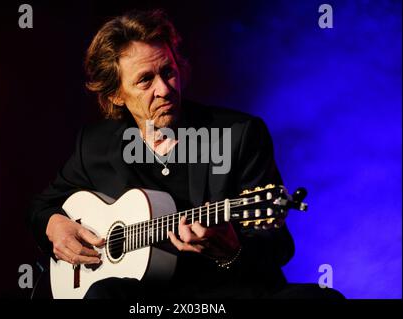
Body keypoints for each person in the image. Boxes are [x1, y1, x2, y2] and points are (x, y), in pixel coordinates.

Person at [27, 9, 344, 299]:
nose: (164, 88)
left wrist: (231, 250)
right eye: (145, 80)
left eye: (168, 71)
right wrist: (54, 224)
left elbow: (278, 244)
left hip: (227, 292)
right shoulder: (96, 144)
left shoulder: (238, 133)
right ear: (117, 95)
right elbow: (43, 206)